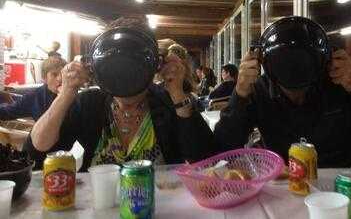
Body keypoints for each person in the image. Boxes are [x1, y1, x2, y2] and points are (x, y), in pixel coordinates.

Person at [23, 18, 215, 171]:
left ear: (156, 65)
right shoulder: (90, 103)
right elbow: (37, 149)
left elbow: (205, 159)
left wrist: (177, 92)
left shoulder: (167, 102)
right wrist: (65, 93)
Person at [215, 16, 351, 168]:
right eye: (286, 63)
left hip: (343, 180)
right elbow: (223, 149)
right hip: (283, 183)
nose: (294, 69)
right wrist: (239, 95)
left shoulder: (342, 83)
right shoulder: (259, 90)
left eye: (300, 62)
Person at [0, 57, 67, 121]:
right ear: (44, 78)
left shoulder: (74, 96)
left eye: (63, 74)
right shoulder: (34, 97)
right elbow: (6, 112)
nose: (60, 79)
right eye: (54, 74)